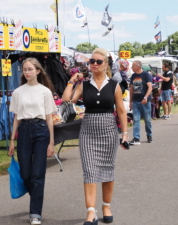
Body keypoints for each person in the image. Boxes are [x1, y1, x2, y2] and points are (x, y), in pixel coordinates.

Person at [62, 48, 128, 225]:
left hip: (109, 131)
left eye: (99, 61)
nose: (95, 64)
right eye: (92, 61)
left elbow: (121, 111)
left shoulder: (114, 85)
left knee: (107, 169)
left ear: (105, 64)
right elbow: (67, 101)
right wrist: (71, 81)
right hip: (88, 132)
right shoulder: (84, 85)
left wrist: (125, 134)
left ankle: (106, 206)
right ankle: (91, 212)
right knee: (90, 172)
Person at [8, 58, 57, 225]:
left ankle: (35, 212)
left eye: (30, 69)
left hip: (41, 130)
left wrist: (51, 142)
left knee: (38, 174)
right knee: (25, 173)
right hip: (23, 131)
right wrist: (12, 140)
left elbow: (50, 118)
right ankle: (36, 193)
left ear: (38, 71)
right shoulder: (18, 92)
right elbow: (16, 118)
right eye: (24, 69)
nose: (26, 72)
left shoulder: (45, 92)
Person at [129, 60, 153, 145]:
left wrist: (145, 97)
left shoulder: (146, 75)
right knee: (136, 120)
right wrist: (130, 101)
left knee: (147, 120)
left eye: (133, 66)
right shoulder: (133, 76)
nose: (131, 67)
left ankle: (149, 135)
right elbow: (131, 88)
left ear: (138, 66)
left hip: (145, 102)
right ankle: (136, 138)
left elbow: (150, 88)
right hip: (136, 101)